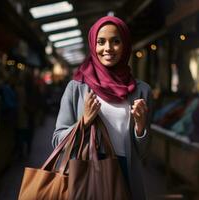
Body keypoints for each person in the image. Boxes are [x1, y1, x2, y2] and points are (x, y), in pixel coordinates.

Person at [52, 16, 152, 200]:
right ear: (93, 44)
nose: (108, 48)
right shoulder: (76, 88)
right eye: (101, 42)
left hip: (126, 174)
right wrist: (84, 121)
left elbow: (144, 153)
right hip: (87, 172)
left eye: (115, 41)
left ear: (126, 45)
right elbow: (57, 139)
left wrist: (140, 127)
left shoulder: (142, 91)